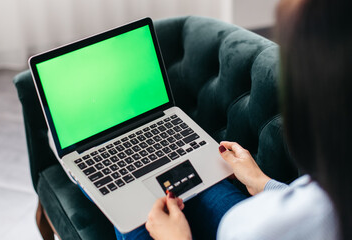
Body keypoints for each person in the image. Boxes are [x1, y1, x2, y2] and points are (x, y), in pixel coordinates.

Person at [115, 0, 352, 239]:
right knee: (193, 182)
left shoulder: (251, 228)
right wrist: (262, 182)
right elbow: (320, 200)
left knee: (128, 208)